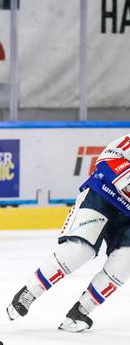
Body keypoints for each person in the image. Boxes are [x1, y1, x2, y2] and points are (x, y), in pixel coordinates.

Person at [8, 134, 130, 332]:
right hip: (103, 195)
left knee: (126, 260)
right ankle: (29, 292)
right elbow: (106, 160)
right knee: (80, 251)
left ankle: (81, 310)